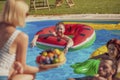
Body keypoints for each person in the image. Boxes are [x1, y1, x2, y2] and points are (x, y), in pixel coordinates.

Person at [0, 0, 59, 80]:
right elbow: (24, 68)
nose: (27, 16)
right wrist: (42, 68)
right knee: (31, 75)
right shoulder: (20, 37)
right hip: (2, 76)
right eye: (26, 14)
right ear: (19, 15)